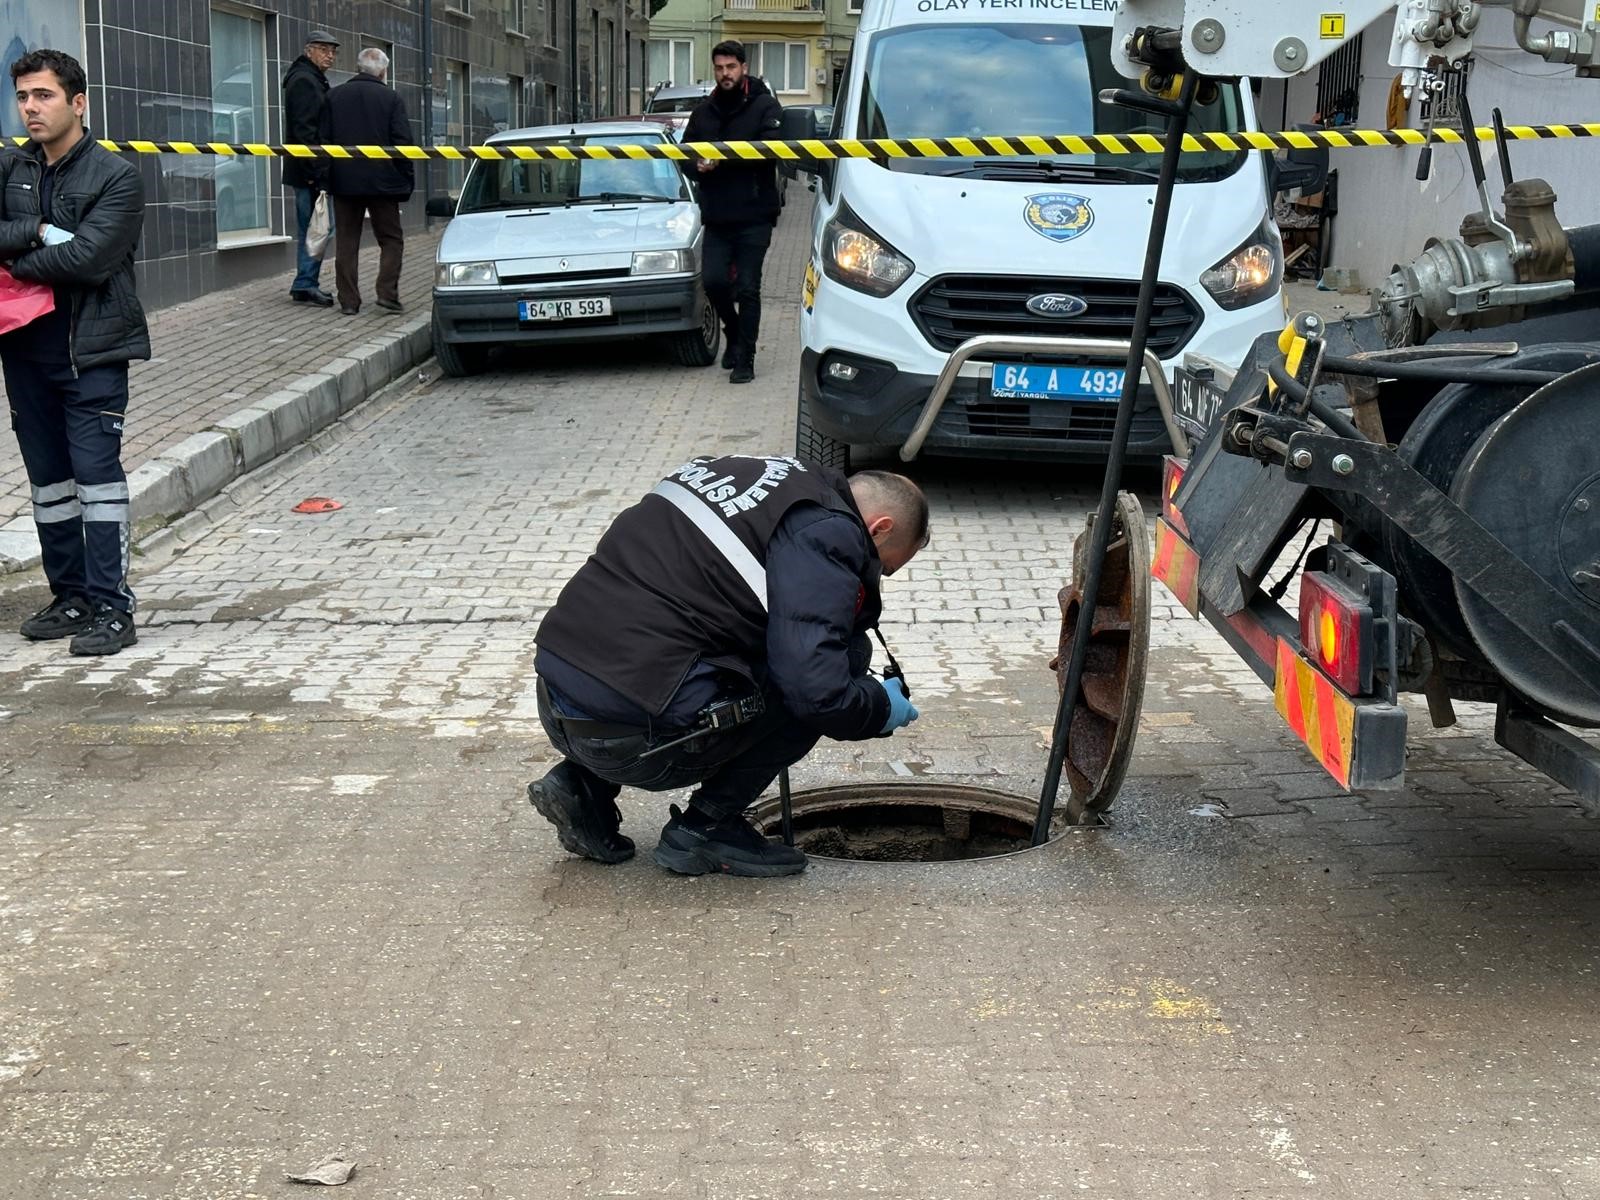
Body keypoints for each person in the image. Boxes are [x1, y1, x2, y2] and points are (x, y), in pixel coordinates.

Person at [530, 455, 928, 878]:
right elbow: (815, 690)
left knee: (693, 643)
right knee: (841, 662)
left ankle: (584, 785)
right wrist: (876, 708)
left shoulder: (756, 476)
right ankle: (707, 828)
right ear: (879, 528)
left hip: (558, 704)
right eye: (883, 565)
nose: (874, 574)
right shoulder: (827, 531)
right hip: (636, 743)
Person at [0, 48, 148, 656]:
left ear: (78, 102)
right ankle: (71, 597)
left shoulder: (115, 176)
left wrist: (14, 258)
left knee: (96, 480)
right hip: (25, 352)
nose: (32, 108)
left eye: (45, 96)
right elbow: (56, 248)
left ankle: (114, 607)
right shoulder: (12, 169)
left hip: (90, 352)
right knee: (50, 483)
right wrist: (35, 232)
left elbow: (89, 260)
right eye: (24, 96)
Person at [682, 41, 783, 385]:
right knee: (712, 282)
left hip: (754, 213)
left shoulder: (764, 105)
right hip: (718, 215)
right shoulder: (703, 112)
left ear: (743, 67)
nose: (725, 74)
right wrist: (698, 165)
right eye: (719, 68)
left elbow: (772, 151)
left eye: (731, 67)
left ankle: (747, 358)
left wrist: (724, 158)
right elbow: (683, 154)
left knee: (749, 288)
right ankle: (734, 331)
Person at [320, 47, 413, 316]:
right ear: (383, 71)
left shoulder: (333, 96)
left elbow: (323, 141)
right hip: (383, 182)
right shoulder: (391, 98)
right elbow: (403, 142)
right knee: (391, 239)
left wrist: (326, 179)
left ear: (359, 68)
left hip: (345, 182)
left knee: (347, 242)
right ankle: (387, 294)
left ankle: (349, 301)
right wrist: (405, 179)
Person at [282, 30, 338, 307]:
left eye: (333, 51)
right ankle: (305, 283)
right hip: (308, 171)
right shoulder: (305, 80)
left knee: (316, 227)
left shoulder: (309, 77)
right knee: (316, 228)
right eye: (324, 50)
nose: (330, 56)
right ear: (309, 51)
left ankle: (306, 282)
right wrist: (318, 174)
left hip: (307, 169)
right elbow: (306, 132)